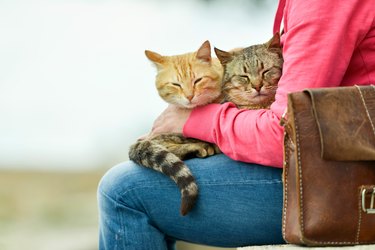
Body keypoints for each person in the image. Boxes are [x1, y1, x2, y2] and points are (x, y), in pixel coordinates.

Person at [97, 0, 375, 249]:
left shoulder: (322, 4)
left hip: (344, 182)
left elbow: (286, 135)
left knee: (124, 191)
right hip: (339, 166)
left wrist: (192, 119)